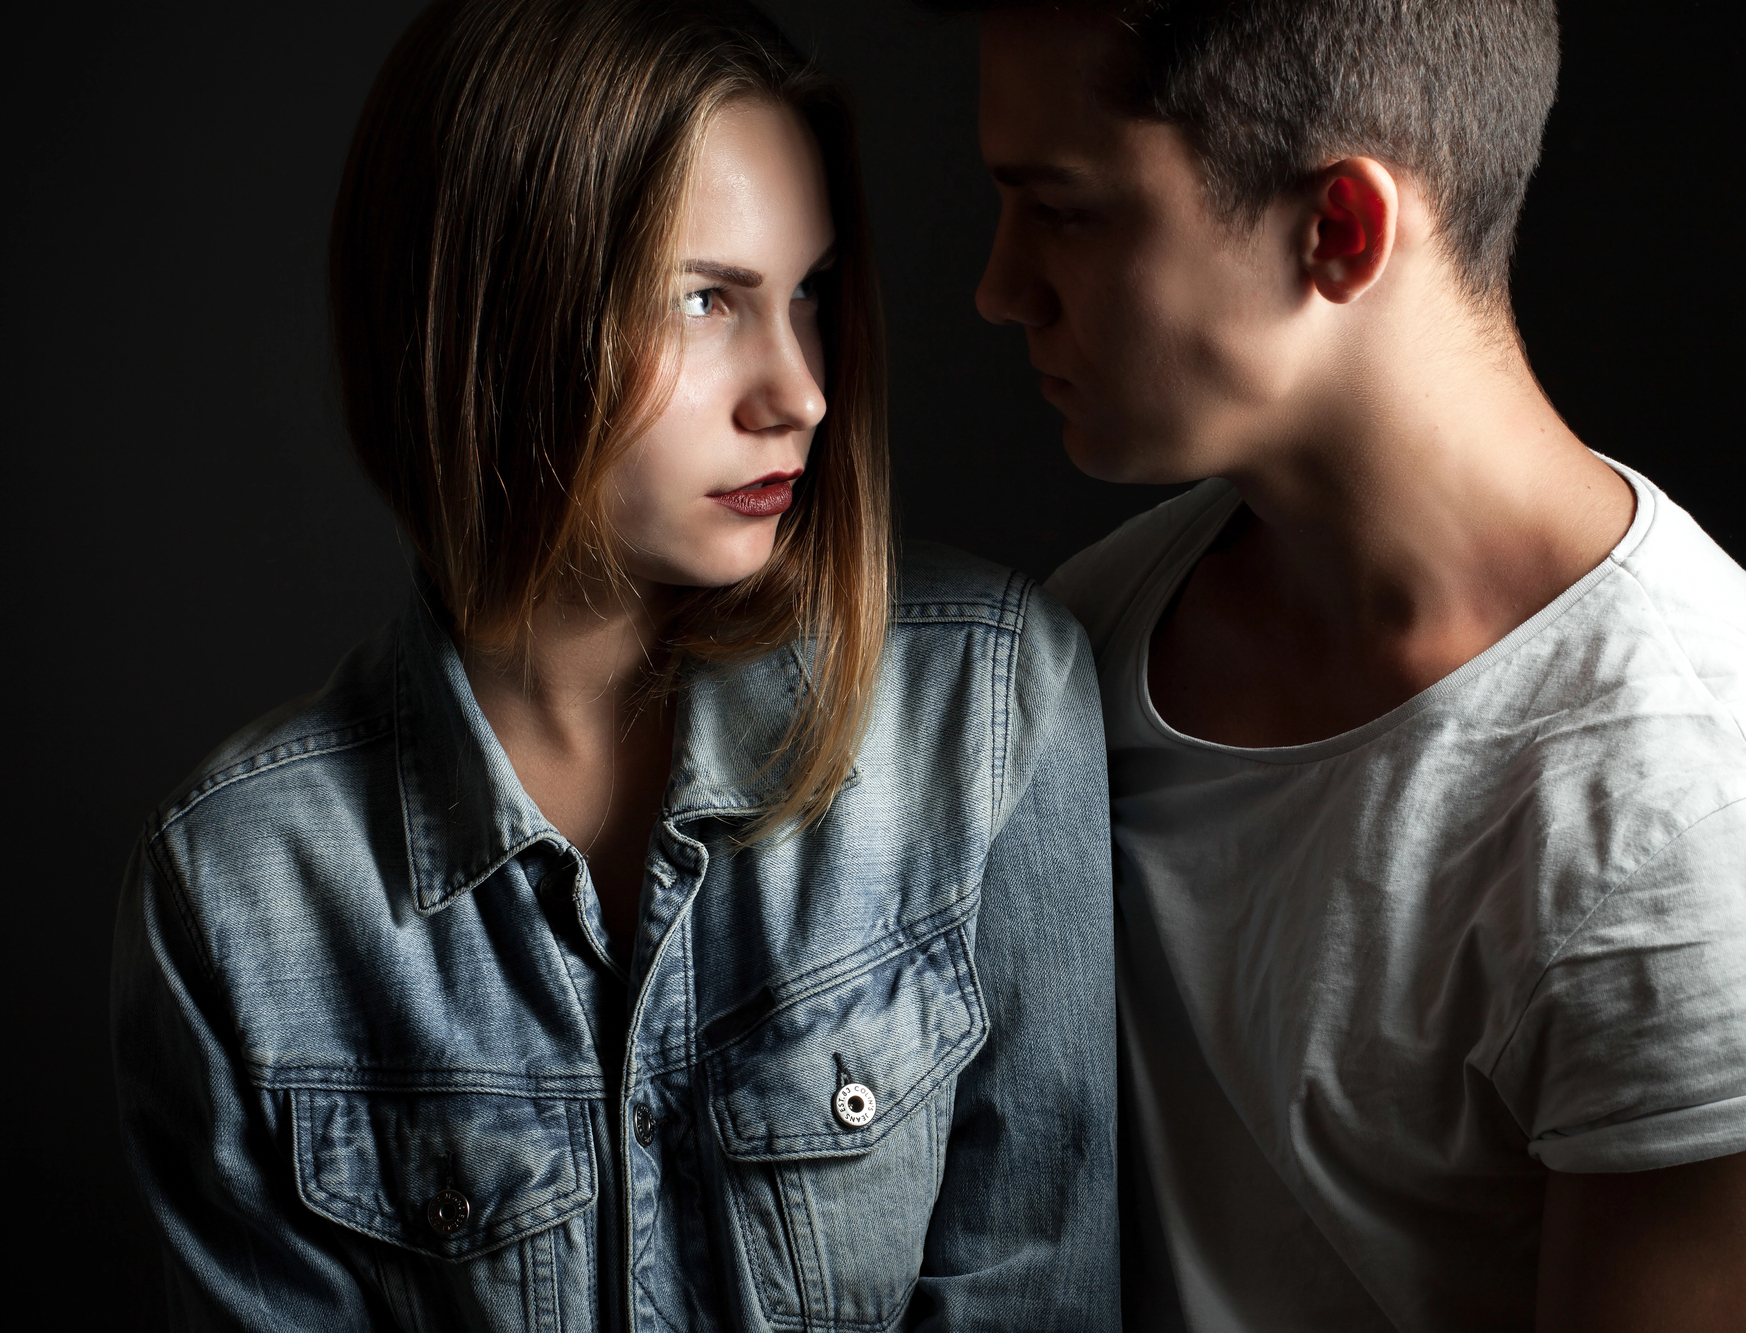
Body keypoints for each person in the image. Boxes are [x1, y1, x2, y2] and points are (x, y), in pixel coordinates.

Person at [109, 2, 1119, 1328]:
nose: (799, 390)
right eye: (708, 299)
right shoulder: (240, 898)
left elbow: (1036, 1289)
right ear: (488, 316)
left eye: (809, 294)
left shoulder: (983, 713)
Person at [938, 1, 1746, 1329]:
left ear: (1338, 232)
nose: (999, 288)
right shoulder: (1080, 644)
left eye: (1064, 210)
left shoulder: (1714, 841)